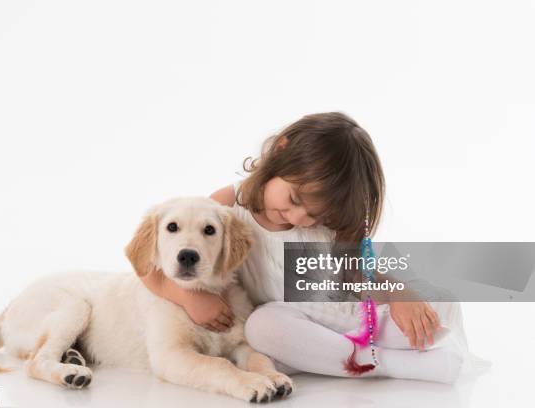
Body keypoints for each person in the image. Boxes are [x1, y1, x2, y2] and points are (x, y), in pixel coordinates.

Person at [139, 112, 481, 383]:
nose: (299, 217)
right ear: (281, 150)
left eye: (314, 213)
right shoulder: (227, 207)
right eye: (293, 198)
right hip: (289, 322)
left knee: (442, 304)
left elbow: (360, 271)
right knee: (261, 328)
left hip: (345, 318)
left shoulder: (323, 222)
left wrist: (399, 293)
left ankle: (337, 356)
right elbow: (148, 268)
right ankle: (387, 365)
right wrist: (189, 297)